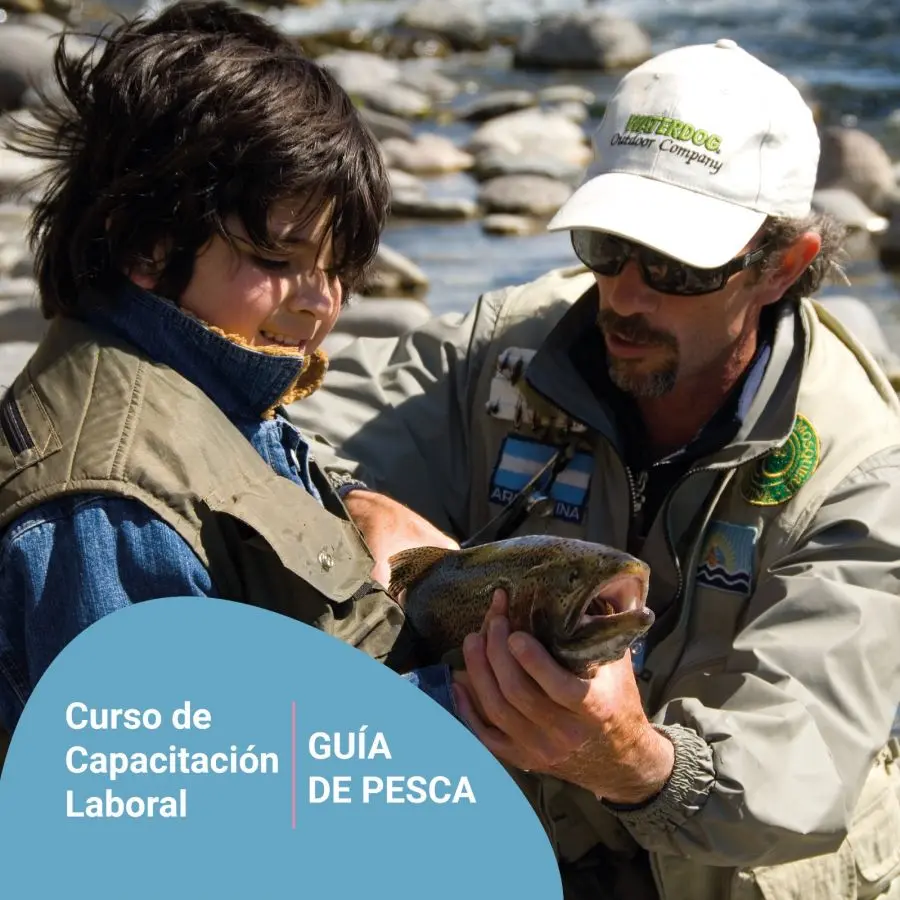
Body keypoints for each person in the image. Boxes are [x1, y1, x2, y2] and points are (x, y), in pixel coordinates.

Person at [289, 40, 900, 899]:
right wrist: (358, 503)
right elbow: (283, 430)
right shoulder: (505, 347)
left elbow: (801, 762)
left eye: (678, 266)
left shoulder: (862, 469)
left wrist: (640, 765)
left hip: (733, 869)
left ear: (783, 267)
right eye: (607, 244)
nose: (626, 296)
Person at [0, 1, 459, 757]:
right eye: (278, 262)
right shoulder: (110, 511)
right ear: (148, 242)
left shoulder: (200, 367)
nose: (320, 302)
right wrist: (469, 707)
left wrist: (354, 503)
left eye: (340, 268)